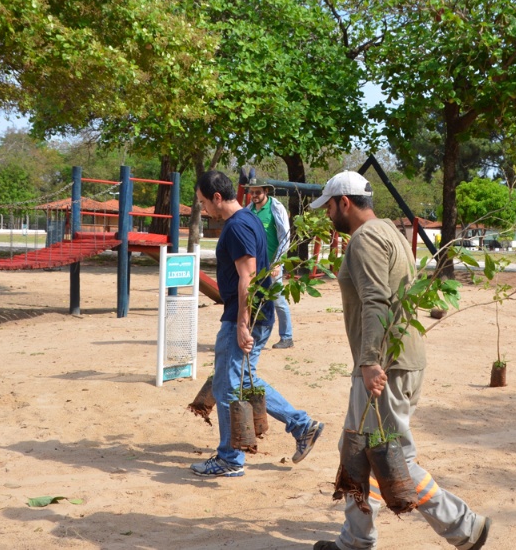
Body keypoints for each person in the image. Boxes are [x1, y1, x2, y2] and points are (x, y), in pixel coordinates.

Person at [311, 170, 491, 550]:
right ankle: (355, 540)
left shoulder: (364, 240)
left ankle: (465, 527)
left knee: (393, 456)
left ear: (344, 202)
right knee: (365, 451)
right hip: (399, 359)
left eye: (328, 207)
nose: (327, 215)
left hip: (384, 366)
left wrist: (370, 361)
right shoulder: (391, 232)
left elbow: (376, 300)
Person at [191, 170, 324, 477]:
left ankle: (230, 459)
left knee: (227, 386)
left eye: (203, 202)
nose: (204, 209)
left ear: (217, 197)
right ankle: (302, 426)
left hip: (246, 314)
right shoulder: (248, 219)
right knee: (239, 381)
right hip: (254, 313)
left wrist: (241, 324)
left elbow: (247, 278)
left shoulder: (237, 226)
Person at [246, 178, 295, 349]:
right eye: (251, 192)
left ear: (266, 191)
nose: (254, 195)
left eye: (257, 192)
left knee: (277, 299)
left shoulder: (275, 207)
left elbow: (285, 236)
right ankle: (254, 335)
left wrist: (278, 263)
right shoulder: (249, 210)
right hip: (255, 263)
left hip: (273, 261)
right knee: (254, 297)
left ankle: (287, 337)